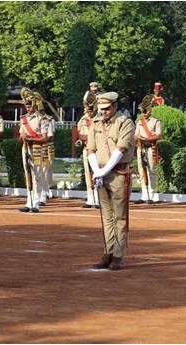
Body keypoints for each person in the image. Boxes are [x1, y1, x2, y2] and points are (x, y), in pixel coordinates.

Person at [87, 91, 135, 270]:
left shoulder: (125, 123)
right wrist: (97, 171)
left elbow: (120, 150)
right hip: (100, 173)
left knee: (120, 217)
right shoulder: (96, 123)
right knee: (106, 217)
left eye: (107, 109)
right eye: (101, 109)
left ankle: (118, 255)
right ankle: (108, 251)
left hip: (119, 174)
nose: (103, 112)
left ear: (115, 106)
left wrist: (102, 171)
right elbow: (90, 149)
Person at [18, 87, 48, 213]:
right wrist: (23, 137)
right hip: (25, 149)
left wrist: (30, 138)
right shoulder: (23, 119)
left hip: (36, 149)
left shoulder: (42, 118)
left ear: (34, 105)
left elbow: (45, 138)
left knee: (37, 175)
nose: (28, 108)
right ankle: (29, 201)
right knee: (28, 175)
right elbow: (21, 135)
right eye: (26, 106)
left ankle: (36, 202)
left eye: (30, 106)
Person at [135, 95, 162, 204]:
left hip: (150, 147)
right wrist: (139, 138)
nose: (146, 113)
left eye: (148, 110)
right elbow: (136, 134)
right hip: (141, 148)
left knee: (151, 170)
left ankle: (152, 194)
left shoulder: (156, 121)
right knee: (141, 171)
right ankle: (144, 195)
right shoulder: (139, 122)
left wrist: (148, 138)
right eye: (144, 111)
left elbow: (159, 134)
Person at [76, 91, 99, 208]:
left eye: (92, 110)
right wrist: (84, 137)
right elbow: (80, 133)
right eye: (88, 110)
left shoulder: (100, 119)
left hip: (98, 151)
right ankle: (90, 198)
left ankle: (98, 198)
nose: (90, 112)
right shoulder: (83, 119)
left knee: (98, 174)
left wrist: (89, 137)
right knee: (87, 173)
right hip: (86, 148)